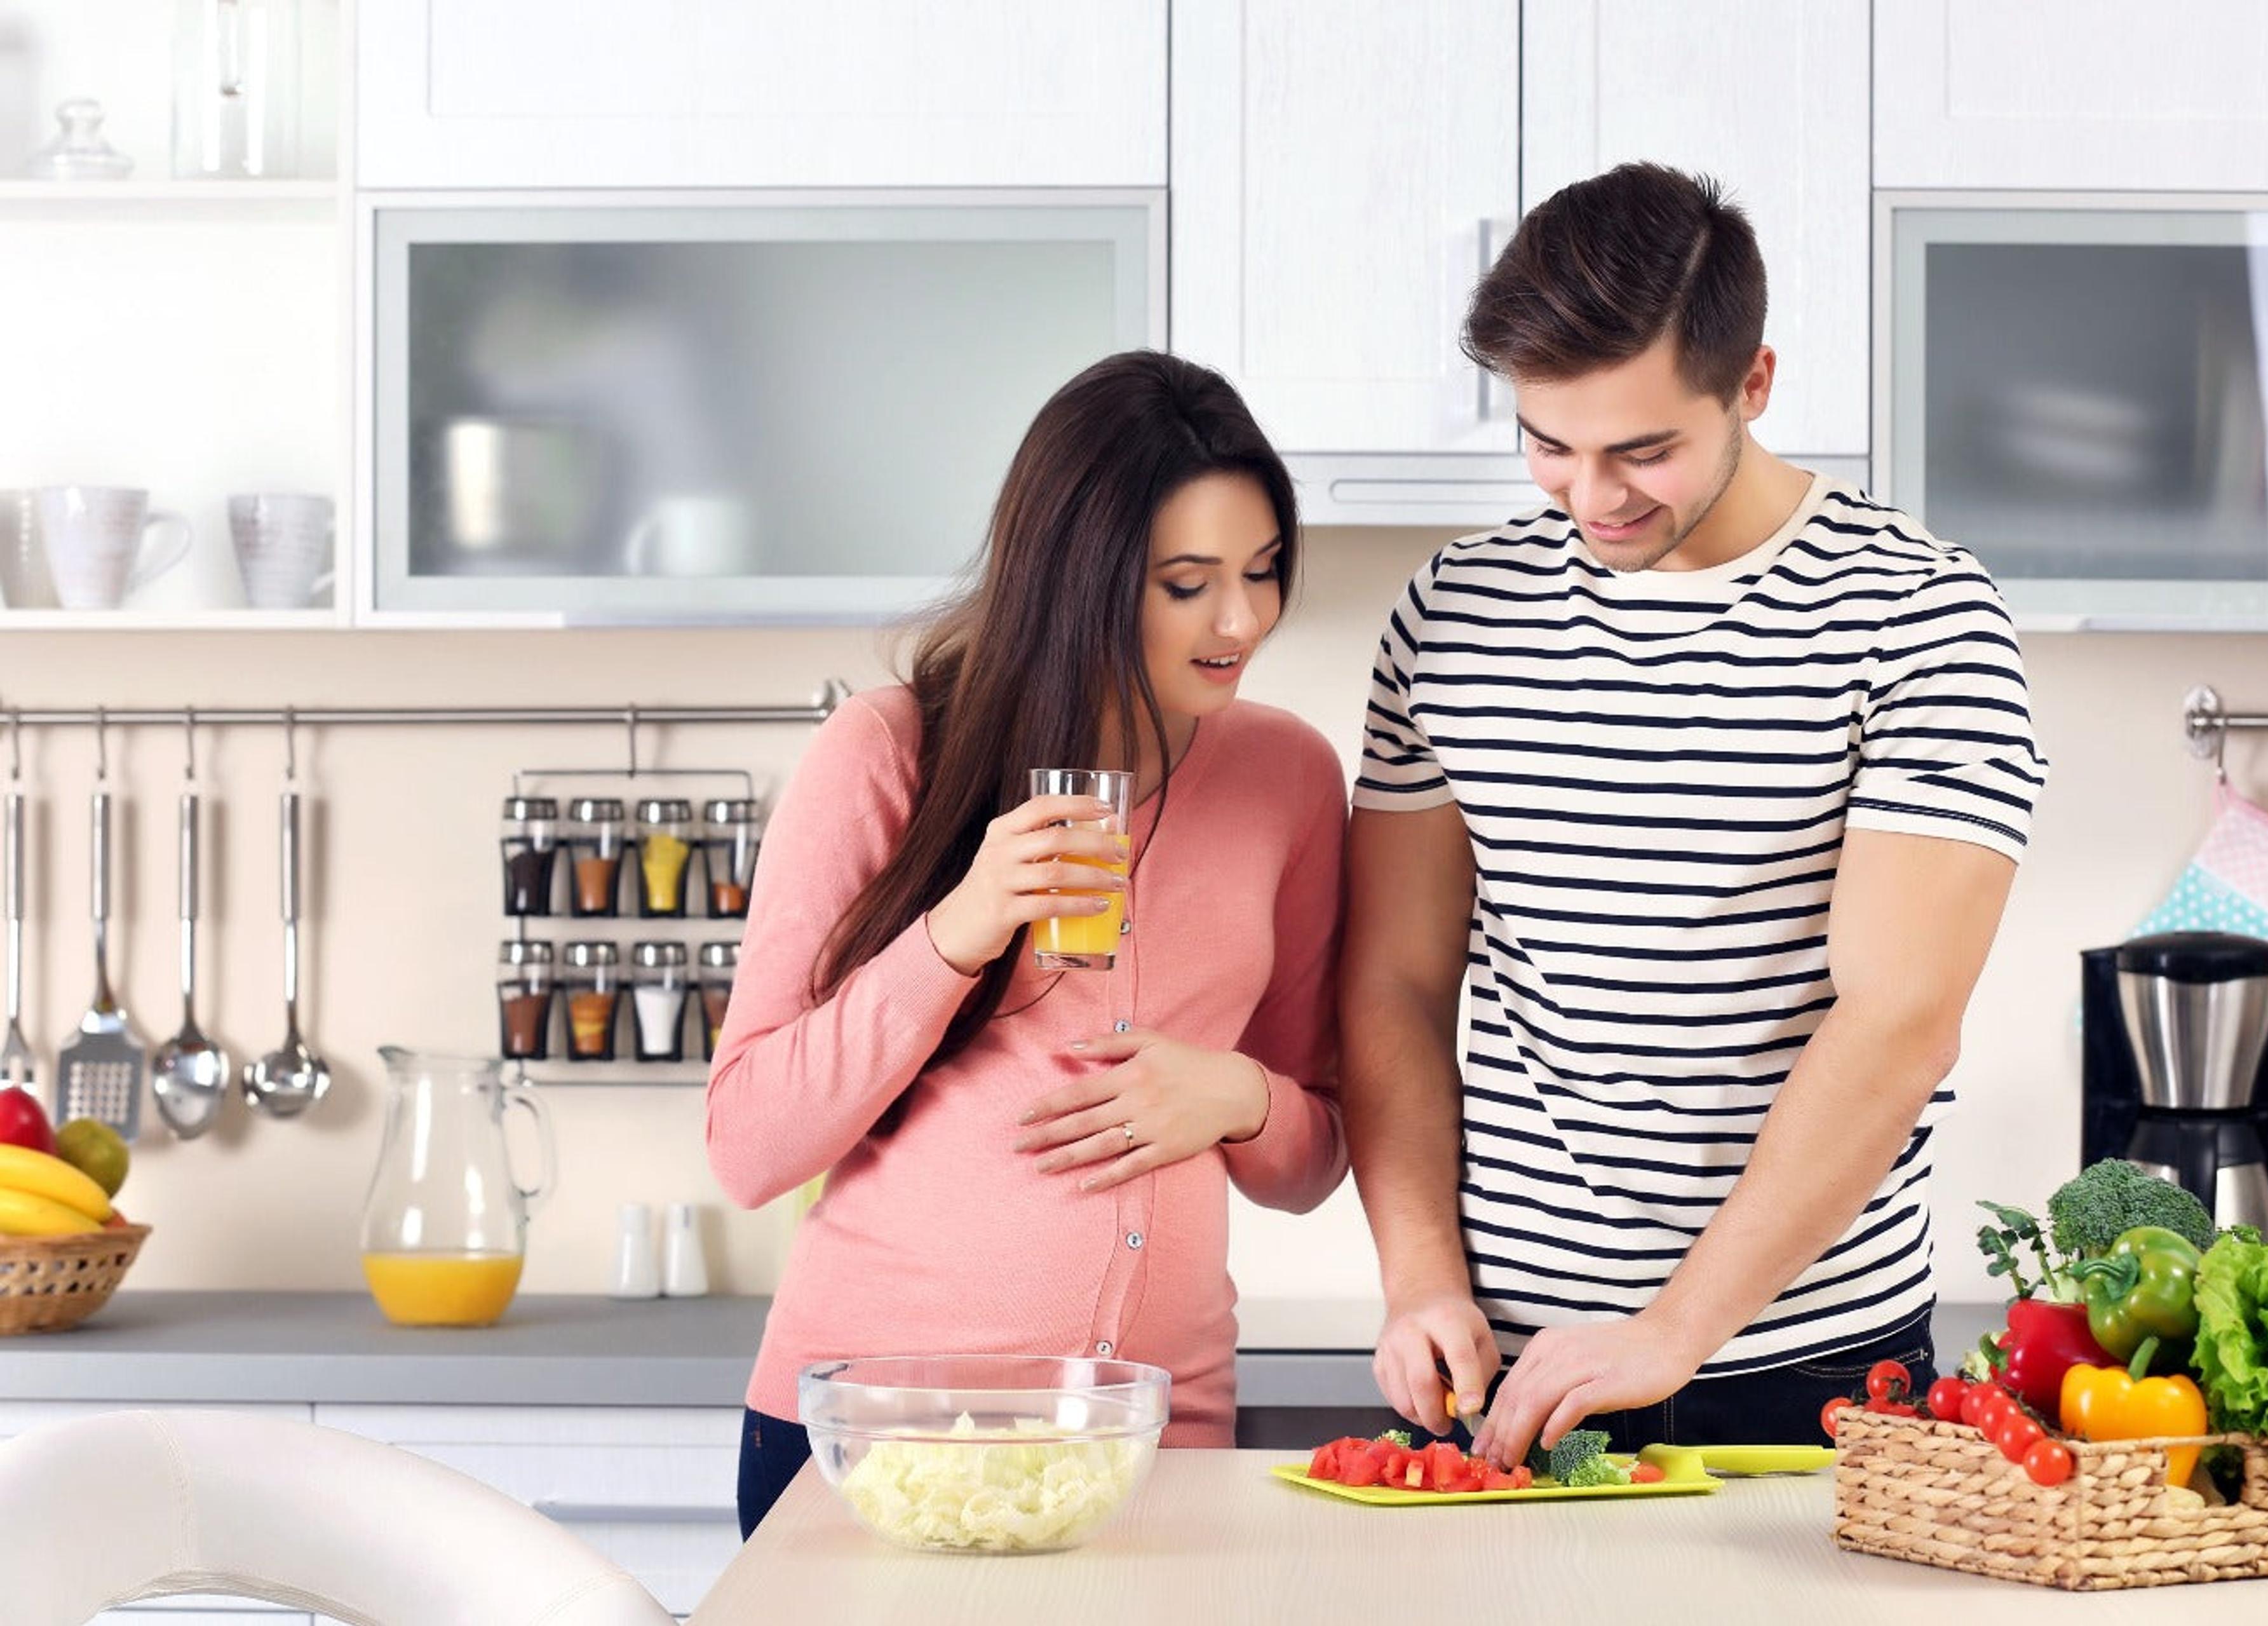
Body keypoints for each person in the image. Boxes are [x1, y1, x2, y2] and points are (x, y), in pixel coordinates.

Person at [1341, 163, 2048, 1469]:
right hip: (1494, 1362)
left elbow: (1897, 1019)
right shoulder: (1455, 613)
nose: (1594, 496)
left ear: (1755, 383)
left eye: (1645, 449)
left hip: (1804, 1369)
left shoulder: (1920, 617)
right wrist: (1418, 1275)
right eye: (1549, 443)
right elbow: (1392, 975)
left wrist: (1675, 1328)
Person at [707, 351, 1349, 1537]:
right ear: (1079, 579)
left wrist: (1240, 1099)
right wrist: (959, 927)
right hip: (875, 1447)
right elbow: (747, 1144)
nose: (1242, 618)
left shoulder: (1290, 779)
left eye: (1262, 572)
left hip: (1149, 1452)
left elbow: (1314, 1157)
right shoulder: (889, 752)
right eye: (1187, 583)